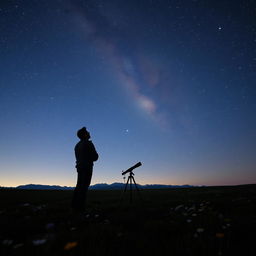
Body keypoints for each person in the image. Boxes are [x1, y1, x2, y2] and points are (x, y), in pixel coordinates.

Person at [72, 127, 98, 212]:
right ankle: (81, 208)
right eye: (87, 132)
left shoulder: (77, 145)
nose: (89, 133)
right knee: (84, 187)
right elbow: (95, 157)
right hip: (87, 167)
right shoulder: (88, 143)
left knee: (79, 186)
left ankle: (75, 206)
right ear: (85, 134)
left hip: (79, 167)